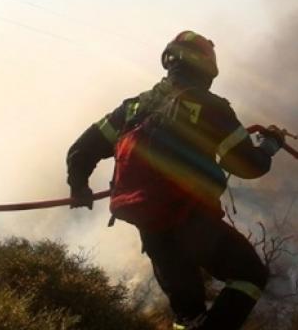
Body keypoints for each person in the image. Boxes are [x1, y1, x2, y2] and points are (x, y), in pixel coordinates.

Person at [66, 30, 284, 329]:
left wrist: (79, 187)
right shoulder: (211, 108)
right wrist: (269, 147)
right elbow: (248, 166)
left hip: (150, 226)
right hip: (191, 220)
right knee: (250, 276)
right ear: (208, 68)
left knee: (188, 314)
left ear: (170, 61)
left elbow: (81, 151)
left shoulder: (134, 107)